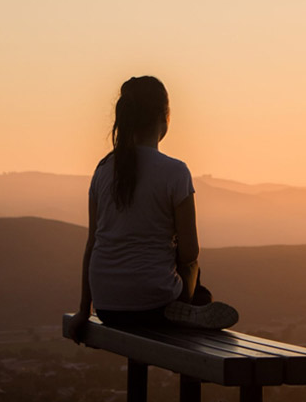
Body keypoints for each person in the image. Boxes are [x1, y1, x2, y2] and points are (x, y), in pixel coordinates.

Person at [65, 75, 238, 343]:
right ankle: (192, 308)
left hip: (108, 307)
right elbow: (190, 252)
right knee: (196, 276)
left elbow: (92, 246)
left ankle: (187, 308)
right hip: (155, 305)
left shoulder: (102, 170)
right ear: (164, 117)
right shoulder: (175, 172)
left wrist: (83, 311)